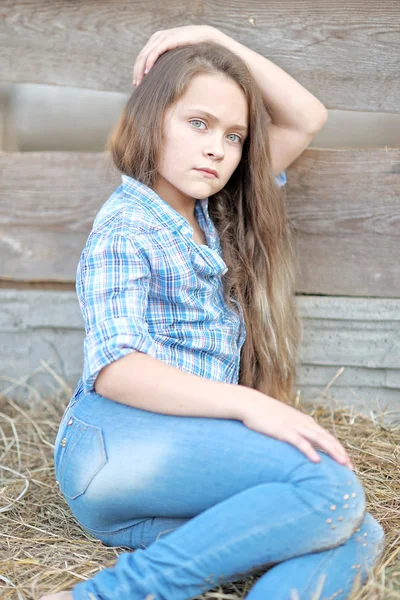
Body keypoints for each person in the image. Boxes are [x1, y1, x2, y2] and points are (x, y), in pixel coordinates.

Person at [41, 25, 385, 600]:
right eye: (197, 123)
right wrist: (251, 407)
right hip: (114, 445)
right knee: (328, 485)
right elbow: (116, 366)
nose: (215, 149)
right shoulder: (128, 226)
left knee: (351, 528)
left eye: (234, 136)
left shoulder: (213, 213)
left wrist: (210, 35)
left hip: (167, 475)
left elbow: (305, 117)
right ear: (152, 119)